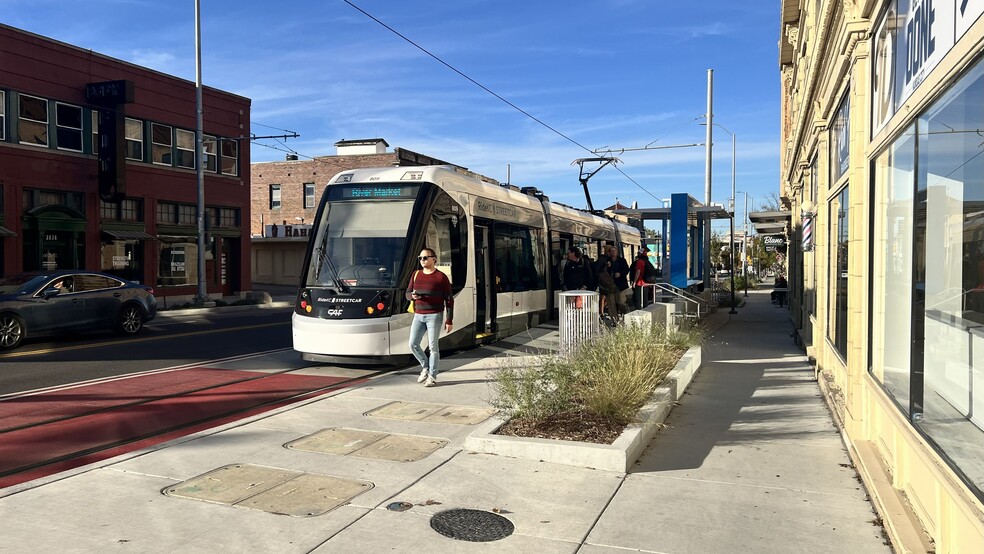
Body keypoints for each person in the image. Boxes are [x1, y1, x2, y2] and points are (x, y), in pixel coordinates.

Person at [406, 248, 454, 387]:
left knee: (433, 347)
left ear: (434, 259)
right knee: (413, 344)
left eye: (426, 258)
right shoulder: (416, 274)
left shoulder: (441, 277)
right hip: (418, 315)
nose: (422, 260)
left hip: (434, 315)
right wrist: (412, 296)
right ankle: (425, 367)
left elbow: (449, 299)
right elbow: (408, 292)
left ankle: (432, 376)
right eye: (420, 258)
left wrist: (449, 320)